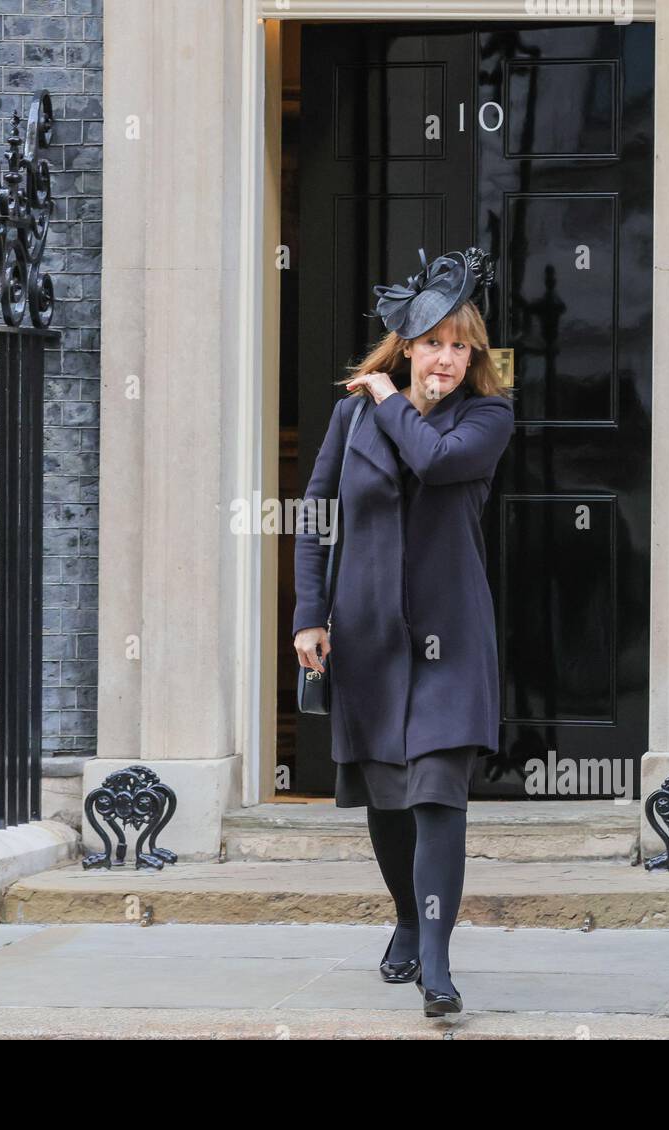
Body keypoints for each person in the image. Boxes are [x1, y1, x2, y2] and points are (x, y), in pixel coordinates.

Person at [293, 248, 515, 1018]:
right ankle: (406, 918)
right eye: (433, 343)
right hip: (369, 639)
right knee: (388, 798)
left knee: (438, 794)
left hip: (452, 639)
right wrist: (307, 617)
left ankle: (439, 961)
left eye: (461, 346)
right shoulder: (350, 414)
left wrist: (391, 398)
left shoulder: (487, 417)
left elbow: (434, 461)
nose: (448, 358)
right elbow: (317, 515)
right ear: (407, 346)